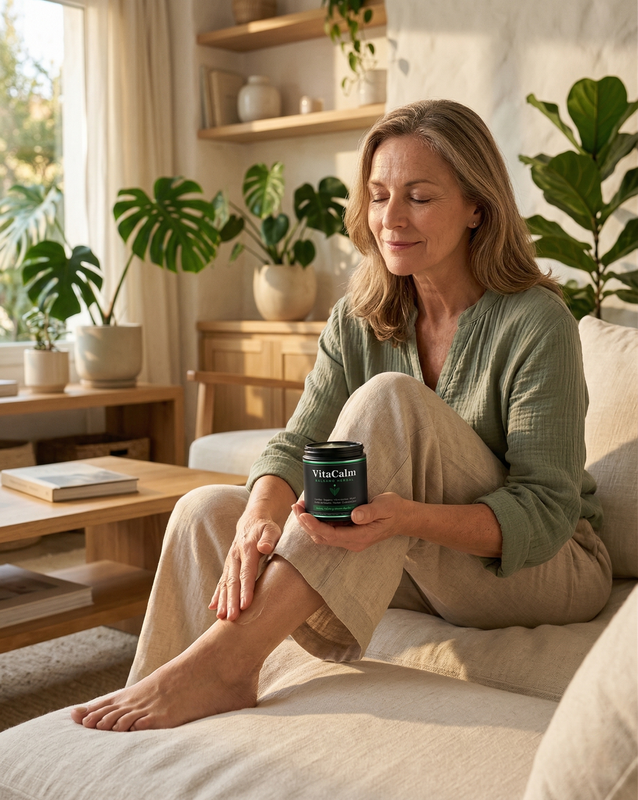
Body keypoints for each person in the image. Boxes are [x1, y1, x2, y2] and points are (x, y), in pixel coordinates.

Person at [71, 99, 612, 732]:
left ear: (477, 207)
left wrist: (403, 519)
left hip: (548, 566)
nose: (392, 219)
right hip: (420, 558)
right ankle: (157, 729)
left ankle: (225, 667)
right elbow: (299, 441)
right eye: (379, 196)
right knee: (207, 513)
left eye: (419, 197)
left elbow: (547, 513)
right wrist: (258, 518)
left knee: (390, 400)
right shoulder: (359, 314)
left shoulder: (536, 322)